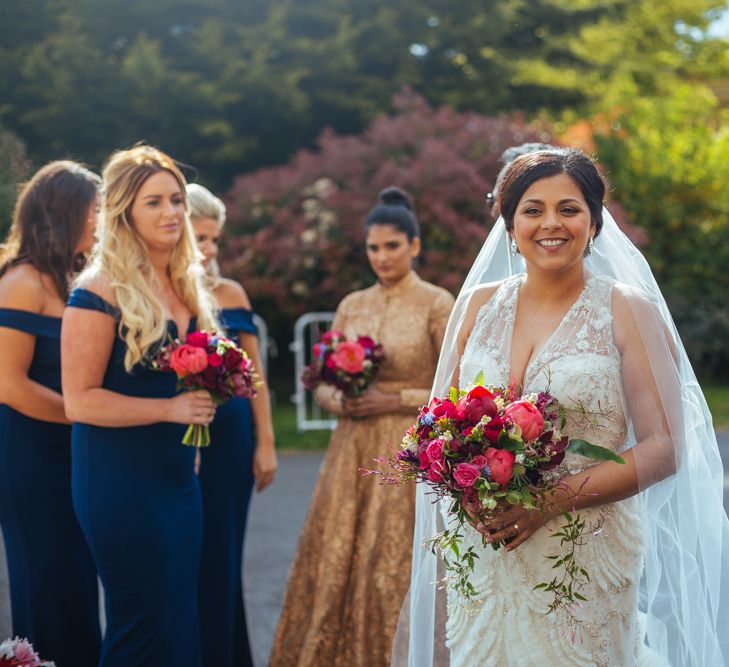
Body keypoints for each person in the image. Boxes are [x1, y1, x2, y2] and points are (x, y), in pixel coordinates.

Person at [397, 148, 729, 666]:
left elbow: (664, 448)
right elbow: (443, 429)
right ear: (509, 224)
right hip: (489, 556)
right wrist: (463, 482)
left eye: (569, 209)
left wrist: (547, 501)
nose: (551, 223)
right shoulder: (479, 308)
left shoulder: (625, 308)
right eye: (533, 210)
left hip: (579, 559)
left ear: (594, 221)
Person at [269, 187, 455, 667]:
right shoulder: (352, 304)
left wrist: (392, 399)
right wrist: (337, 398)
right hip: (350, 449)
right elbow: (319, 379)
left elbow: (453, 388)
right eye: (373, 248)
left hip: (407, 451)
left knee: (392, 560)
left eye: (392, 246)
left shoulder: (438, 303)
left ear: (414, 246)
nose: (382, 257)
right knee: (338, 556)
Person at [61, 145, 219, 666]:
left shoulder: (185, 286)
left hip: (178, 479)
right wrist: (170, 412)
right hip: (118, 483)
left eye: (176, 199)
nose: (172, 212)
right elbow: (78, 402)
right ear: (124, 211)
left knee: (178, 617)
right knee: (140, 622)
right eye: (154, 202)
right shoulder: (98, 290)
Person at [0, 161, 101, 666]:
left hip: (73, 449)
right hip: (32, 458)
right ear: (65, 214)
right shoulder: (21, 281)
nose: (102, 220)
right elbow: (8, 384)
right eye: (95, 209)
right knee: (48, 584)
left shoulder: (71, 279)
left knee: (79, 586)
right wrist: (86, 415)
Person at [187, 183, 277, 667]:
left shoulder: (230, 293)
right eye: (200, 238)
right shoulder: (160, 295)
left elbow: (254, 375)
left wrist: (266, 442)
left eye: (215, 240)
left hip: (230, 441)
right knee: (180, 560)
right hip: (177, 438)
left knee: (221, 560)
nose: (210, 250)